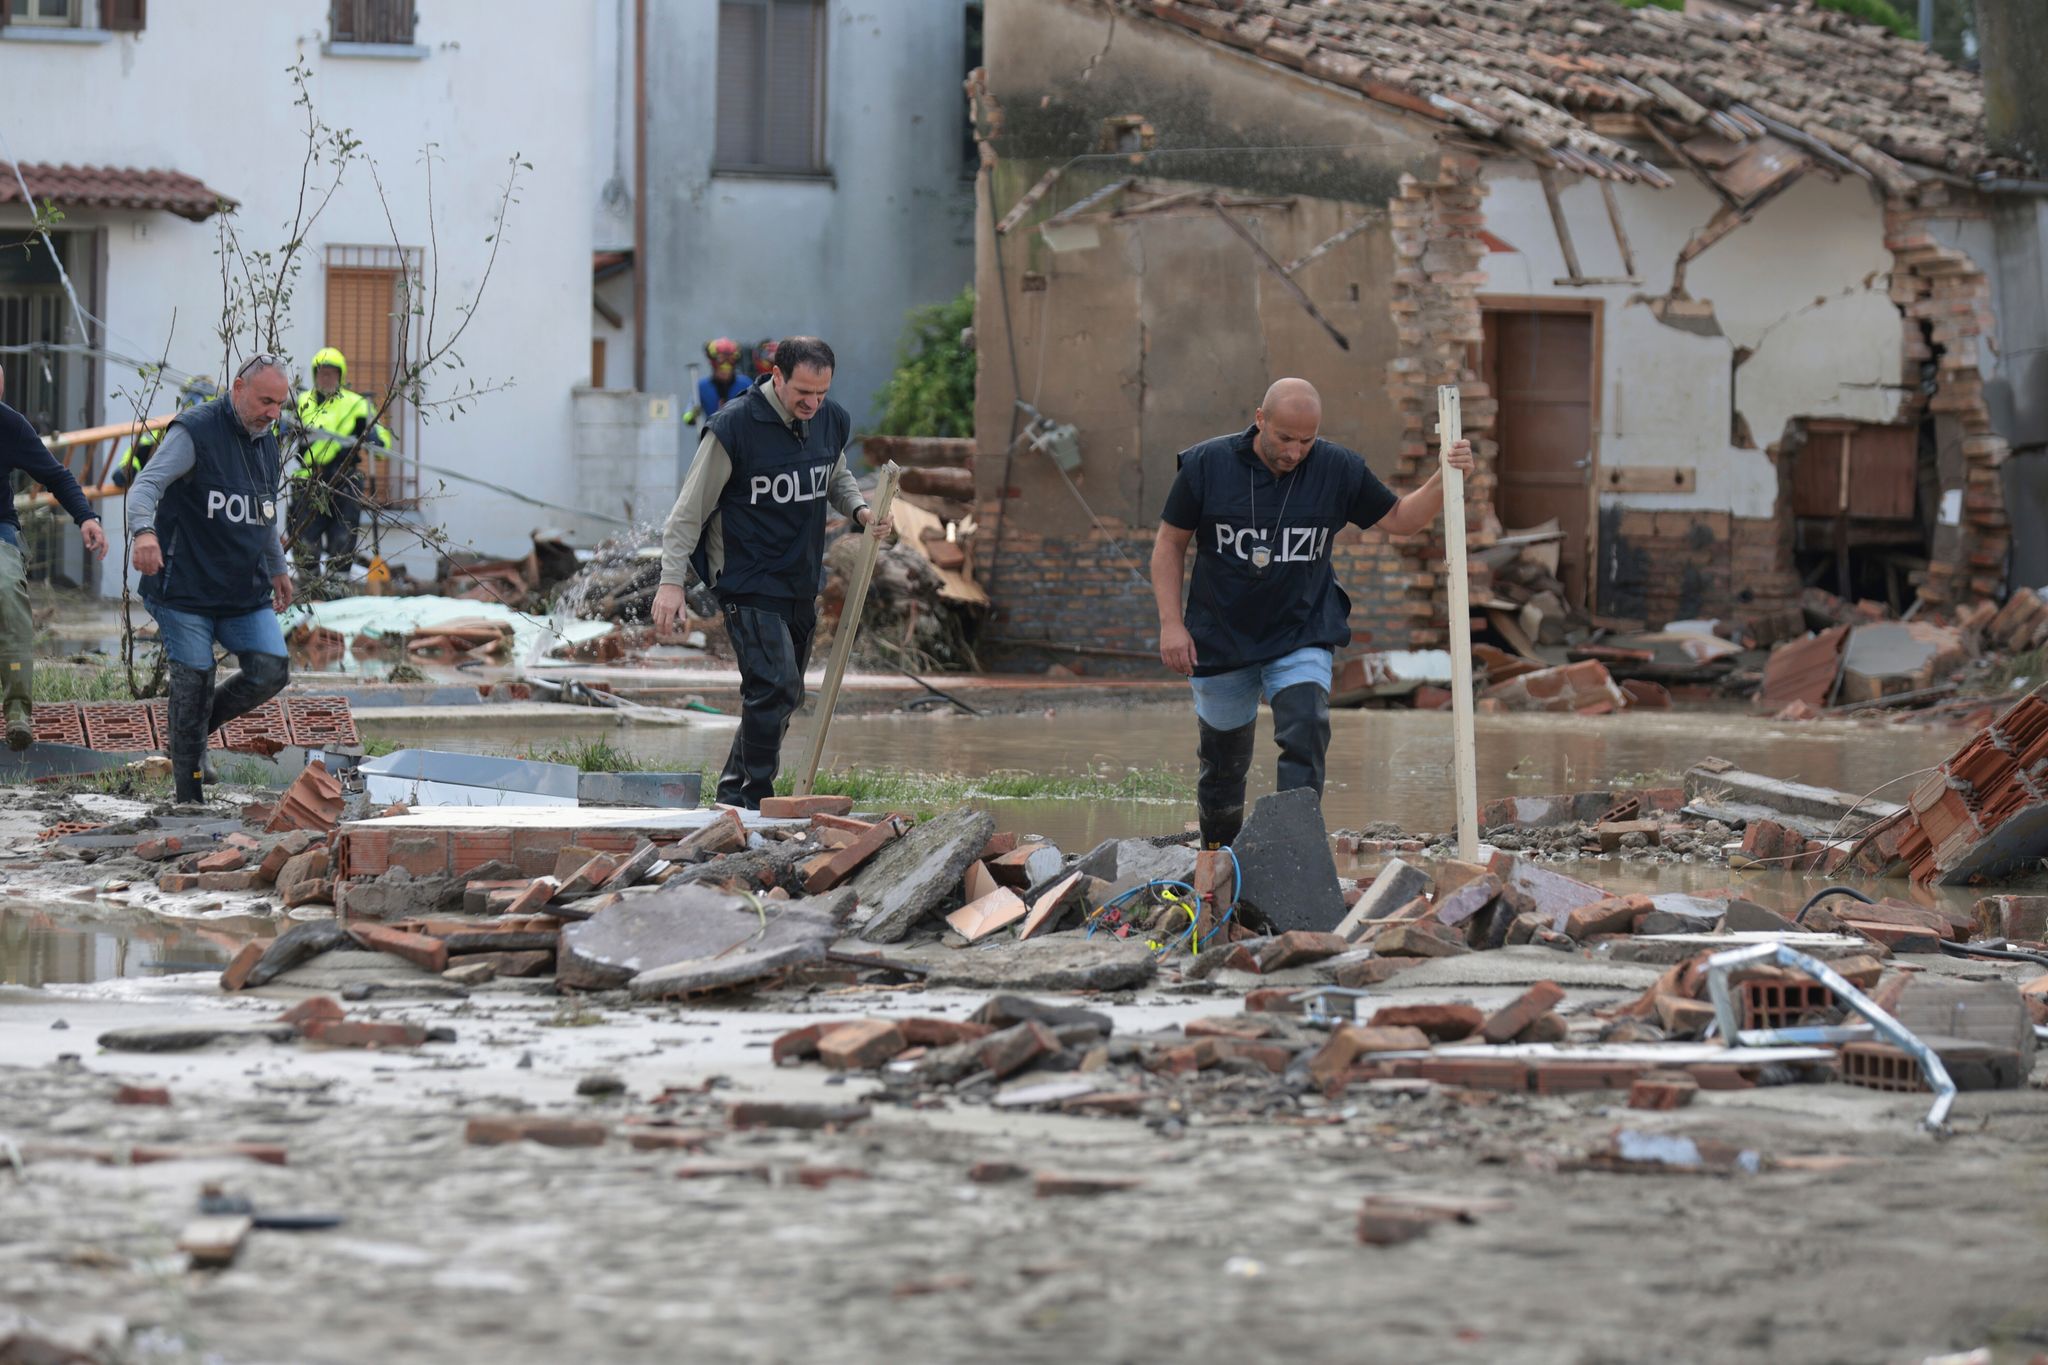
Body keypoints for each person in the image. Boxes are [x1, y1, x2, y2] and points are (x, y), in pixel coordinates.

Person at [1151, 377, 1475, 847]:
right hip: (1218, 633)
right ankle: (1218, 859)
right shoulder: (1206, 464)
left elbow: (1402, 520)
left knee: (1306, 728)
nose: (1295, 452)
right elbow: (1169, 544)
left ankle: (1292, 849)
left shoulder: (1337, 468)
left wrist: (1445, 474)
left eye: (1306, 440)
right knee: (1223, 766)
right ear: (1260, 420)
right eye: (1284, 438)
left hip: (1300, 628)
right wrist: (1170, 625)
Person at [651, 336, 892, 809]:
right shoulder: (733, 427)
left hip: (799, 575)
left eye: (821, 393)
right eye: (803, 392)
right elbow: (688, 512)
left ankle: (731, 794)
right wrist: (670, 582)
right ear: (776, 376)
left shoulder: (829, 420)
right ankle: (756, 801)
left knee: (784, 694)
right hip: (745, 575)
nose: (813, 403)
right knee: (774, 685)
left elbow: (835, 475)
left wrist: (861, 511)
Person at [127, 354, 295, 803]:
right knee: (195, 676)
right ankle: (189, 796)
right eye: (265, 401)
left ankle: (192, 733)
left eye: (279, 404)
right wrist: (143, 532)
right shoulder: (195, 431)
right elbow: (146, 485)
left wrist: (277, 566)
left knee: (270, 670)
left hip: (241, 590)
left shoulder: (266, 442)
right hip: (183, 586)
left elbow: (263, 512)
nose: (273, 413)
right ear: (238, 387)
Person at [0, 366, 109, 750]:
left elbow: (58, 476)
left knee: (6, 593)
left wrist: (87, 517)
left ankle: (16, 712)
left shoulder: (9, 425)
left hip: (0, 531)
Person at [285, 346, 390, 590]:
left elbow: (383, 445)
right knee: (304, 542)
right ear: (314, 375)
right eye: (322, 373)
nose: (326, 378)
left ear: (340, 376)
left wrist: (374, 437)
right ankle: (310, 592)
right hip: (308, 479)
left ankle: (335, 593)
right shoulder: (301, 402)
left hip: (344, 481)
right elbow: (278, 436)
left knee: (342, 540)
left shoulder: (357, 405)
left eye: (332, 373)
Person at [113, 377, 219, 489]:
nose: (189, 403)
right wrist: (127, 468)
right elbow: (140, 450)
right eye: (188, 397)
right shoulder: (166, 429)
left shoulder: (215, 434)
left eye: (196, 399)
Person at [682, 337, 750, 426]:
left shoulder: (746, 384)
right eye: (721, 359)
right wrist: (692, 415)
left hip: (741, 436)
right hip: (712, 435)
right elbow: (687, 415)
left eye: (730, 359)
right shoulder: (702, 387)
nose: (725, 366)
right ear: (713, 363)